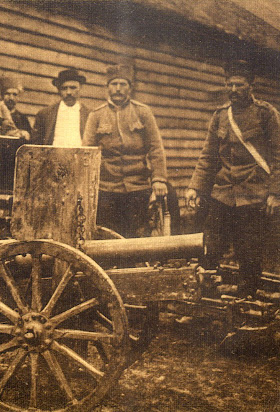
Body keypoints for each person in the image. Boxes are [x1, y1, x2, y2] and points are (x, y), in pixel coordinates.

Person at [185, 59, 280, 298]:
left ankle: (245, 300)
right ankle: (205, 298)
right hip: (223, 193)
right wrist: (195, 187)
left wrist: (274, 193)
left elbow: (279, 155)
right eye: (230, 85)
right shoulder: (219, 116)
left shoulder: (266, 115)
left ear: (250, 85)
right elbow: (208, 156)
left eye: (239, 84)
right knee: (210, 246)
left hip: (253, 194)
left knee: (249, 251)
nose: (234, 90)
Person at [83, 64, 168, 238]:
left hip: (138, 185)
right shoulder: (96, 115)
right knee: (108, 236)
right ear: (107, 88)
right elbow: (86, 152)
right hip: (107, 187)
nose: (118, 89)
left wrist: (159, 179)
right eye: (114, 84)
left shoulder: (143, 112)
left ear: (130, 87)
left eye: (123, 84)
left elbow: (156, 147)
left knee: (138, 235)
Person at [31, 68, 89, 147]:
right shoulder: (45, 114)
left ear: (80, 88)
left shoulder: (89, 115)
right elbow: (36, 144)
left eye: (73, 88)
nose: (68, 92)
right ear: (58, 90)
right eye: (64, 88)